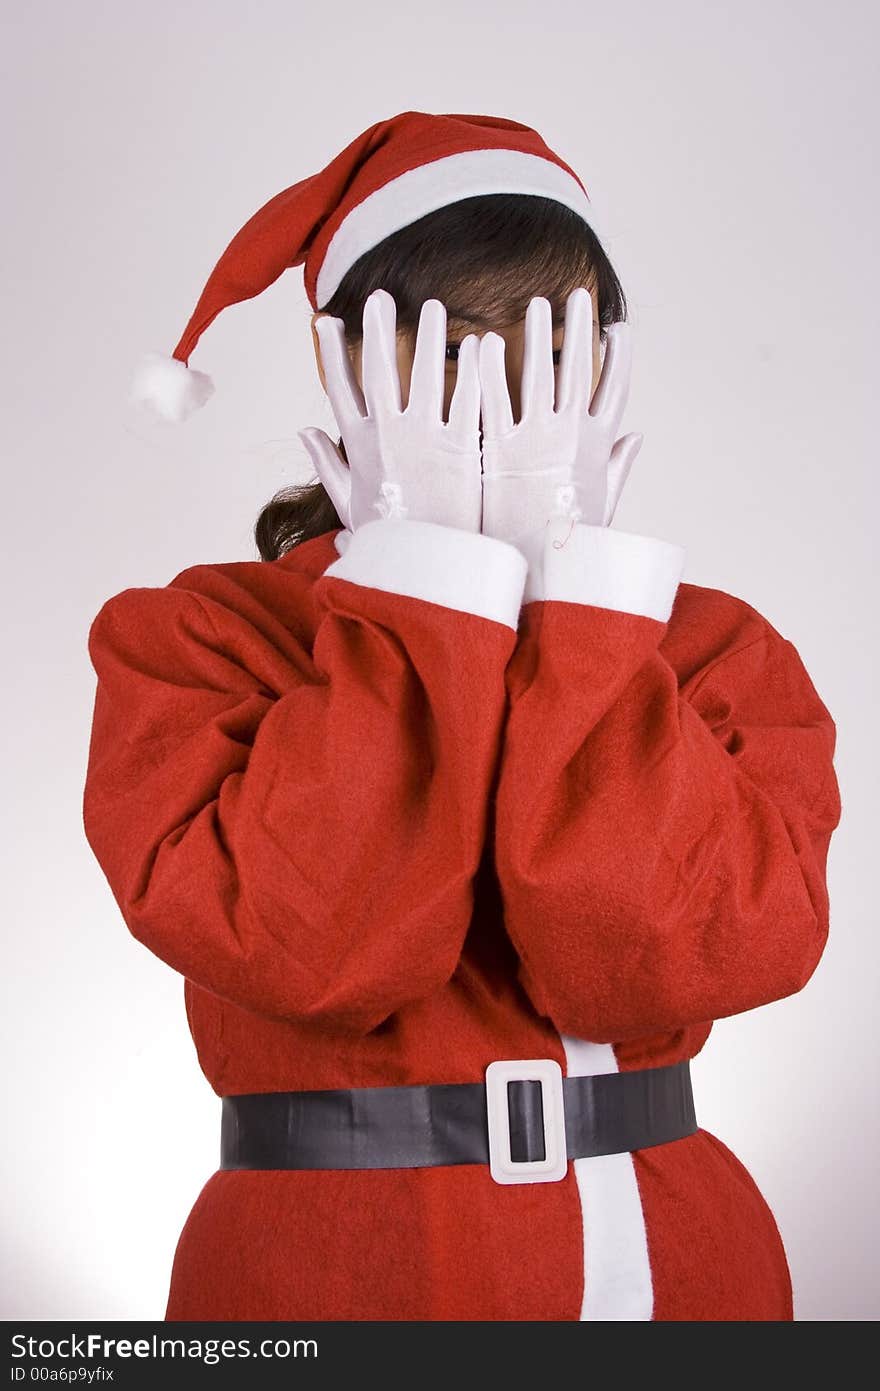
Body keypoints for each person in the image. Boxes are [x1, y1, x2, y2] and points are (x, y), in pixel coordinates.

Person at [83, 110, 842, 1322]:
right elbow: (310, 950)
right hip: (325, 1279)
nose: (493, 392)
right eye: (445, 345)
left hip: (685, 1272)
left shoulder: (708, 648)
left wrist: (574, 597)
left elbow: (673, 958)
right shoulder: (193, 640)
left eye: (546, 342)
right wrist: (420, 584)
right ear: (348, 368)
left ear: (602, 366)